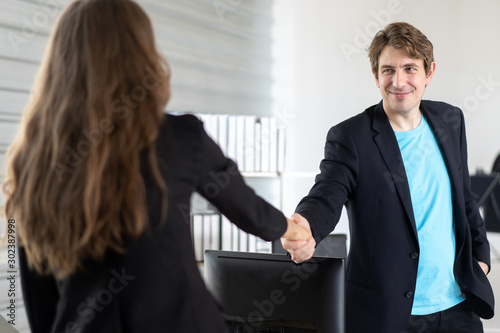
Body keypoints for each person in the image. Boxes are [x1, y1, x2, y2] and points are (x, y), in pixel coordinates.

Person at [2, 0, 311, 332]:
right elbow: (248, 209)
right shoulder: (178, 137)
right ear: (140, 55)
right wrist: (294, 232)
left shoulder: (33, 162)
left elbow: (41, 302)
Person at [281, 22, 494, 333]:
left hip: (458, 306)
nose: (398, 81)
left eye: (410, 68)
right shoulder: (351, 137)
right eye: (388, 70)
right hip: (387, 314)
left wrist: (480, 257)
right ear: (375, 76)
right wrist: (307, 225)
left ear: (429, 73)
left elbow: (464, 197)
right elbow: (328, 192)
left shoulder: (450, 120)